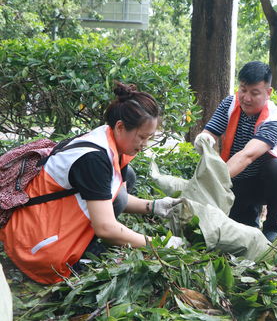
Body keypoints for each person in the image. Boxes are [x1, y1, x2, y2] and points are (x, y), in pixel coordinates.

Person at [0, 81, 181, 284]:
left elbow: (108, 193)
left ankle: (83, 242)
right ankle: (76, 254)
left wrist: (153, 206)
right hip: (36, 246)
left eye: (149, 138)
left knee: (127, 176)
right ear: (120, 126)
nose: (144, 145)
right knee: (115, 206)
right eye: (141, 137)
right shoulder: (93, 159)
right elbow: (106, 228)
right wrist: (157, 244)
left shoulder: (107, 138)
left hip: (46, 220)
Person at [194, 61, 277, 242]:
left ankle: (272, 225)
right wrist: (204, 139)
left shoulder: (275, 120)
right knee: (239, 232)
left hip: (263, 184)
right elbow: (210, 132)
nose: (246, 98)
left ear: (268, 93)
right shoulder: (230, 103)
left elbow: (247, 155)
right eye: (243, 89)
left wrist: (213, 182)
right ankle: (250, 213)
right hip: (236, 184)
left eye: (254, 93)